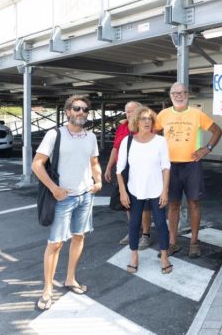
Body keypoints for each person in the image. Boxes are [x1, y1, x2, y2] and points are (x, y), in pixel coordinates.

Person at [32, 95, 102, 310]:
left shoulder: (91, 137)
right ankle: (47, 289)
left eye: (85, 110)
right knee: (55, 243)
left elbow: (94, 162)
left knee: (79, 237)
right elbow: (37, 164)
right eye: (77, 108)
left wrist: (98, 180)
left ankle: (70, 278)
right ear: (68, 112)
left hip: (85, 196)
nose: (81, 112)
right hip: (62, 198)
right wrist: (54, 189)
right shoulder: (55, 134)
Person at [155, 82, 222, 258]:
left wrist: (207, 148)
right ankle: (172, 242)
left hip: (192, 165)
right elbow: (152, 133)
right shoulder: (163, 114)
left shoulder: (196, 114)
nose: (179, 95)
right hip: (170, 165)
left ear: (188, 95)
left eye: (182, 92)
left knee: (194, 202)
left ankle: (194, 242)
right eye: (175, 93)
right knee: (173, 204)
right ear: (170, 95)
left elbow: (217, 131)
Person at [116, 107, 172, 274]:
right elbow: (119, 169)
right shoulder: (128, 141)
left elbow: (166, 167)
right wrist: (122, 191)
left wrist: (165, 191)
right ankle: (134, 256)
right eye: (143, 119)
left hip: (157, 190)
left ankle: (164, 256)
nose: (147, 122)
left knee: (161, 224)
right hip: (134, 189)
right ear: (136, 122)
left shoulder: (160, 141)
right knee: (134, 223)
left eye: (149, 119)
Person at [104, 101, 152, 249]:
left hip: (142, 169)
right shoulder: (122, 128)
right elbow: (115, 148)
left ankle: (145, 235)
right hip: (125, 170)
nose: (130, 114)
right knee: (128, 202)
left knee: (144, 204)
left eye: (133, 110)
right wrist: (108, 167)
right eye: (127, 111)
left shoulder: (147, 126)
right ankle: (133, 231)